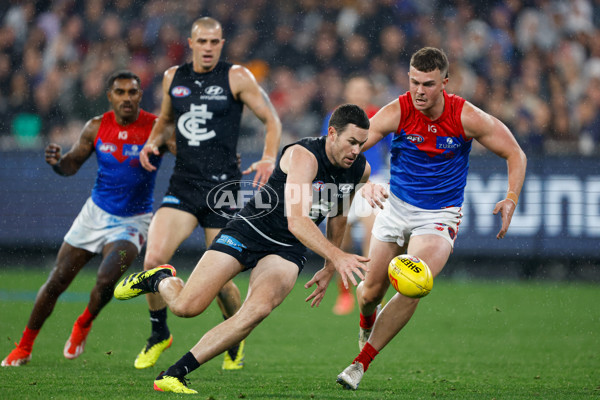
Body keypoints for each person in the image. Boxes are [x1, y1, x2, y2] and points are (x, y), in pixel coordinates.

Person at [114, 104, 371, 394]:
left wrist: (328, 267)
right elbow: (297, 221)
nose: (356, 150)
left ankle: (174, 373)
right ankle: (158, 279)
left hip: (287, 250)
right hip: (250, 231)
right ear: (332, 133)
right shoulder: (304, 156)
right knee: (187, 307)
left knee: (256, 311)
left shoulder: (360, 170)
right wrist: (338, 257)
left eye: (362, 144)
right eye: (352, 142)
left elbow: (338, 214)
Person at [336, 47, 527, 390]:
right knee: (369, 294)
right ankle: (367, 321)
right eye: (413, 82)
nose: (419, 91)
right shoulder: (397, 110)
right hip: (395, 209)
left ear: (444, 84)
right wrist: (361, 182)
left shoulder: (466, 116)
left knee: (414, 282)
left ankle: (360, 363)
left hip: (438, 216)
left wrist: (511, 197)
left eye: (427, 84)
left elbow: (515, 152)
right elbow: (350, 150)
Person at [133, 16, 282, 371]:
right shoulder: (174, 77)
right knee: (153, 259)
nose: (209, 48)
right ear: (191, 43)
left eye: (215, 42)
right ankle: (159, 334)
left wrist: (267, 157)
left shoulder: (237, 77)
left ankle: (234, 335)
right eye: (203, 42)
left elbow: (272, 120)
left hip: (224, 189)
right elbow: (166, 119)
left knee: (221, 283)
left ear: (222, 43)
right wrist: (153, 141)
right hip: (183, 185)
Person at [2, 70, 167, 367]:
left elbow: (188, 155)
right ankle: (24, 347)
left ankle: (84, 324)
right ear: (110, 96)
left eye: (132, 92)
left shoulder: (156, 127)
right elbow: (71, 166)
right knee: (57, 280)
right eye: (120, 92)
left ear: (140, 95)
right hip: (94, 214)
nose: (127, 98)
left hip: (133, 221)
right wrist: (56, 163)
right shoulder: (95, 127)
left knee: (106, 280)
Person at [320, 76, 389, 315]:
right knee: (342, 241)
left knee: (373, 236)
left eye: (363, 90)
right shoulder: (334, 118)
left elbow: (392, 148)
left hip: (373, 180)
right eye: (354, 90)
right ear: (347, 93)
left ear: (370, 93)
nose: (359, 94)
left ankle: (370, 292)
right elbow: (325, 149)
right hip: (345, 182)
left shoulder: (380, 116)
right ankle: (345, 294)